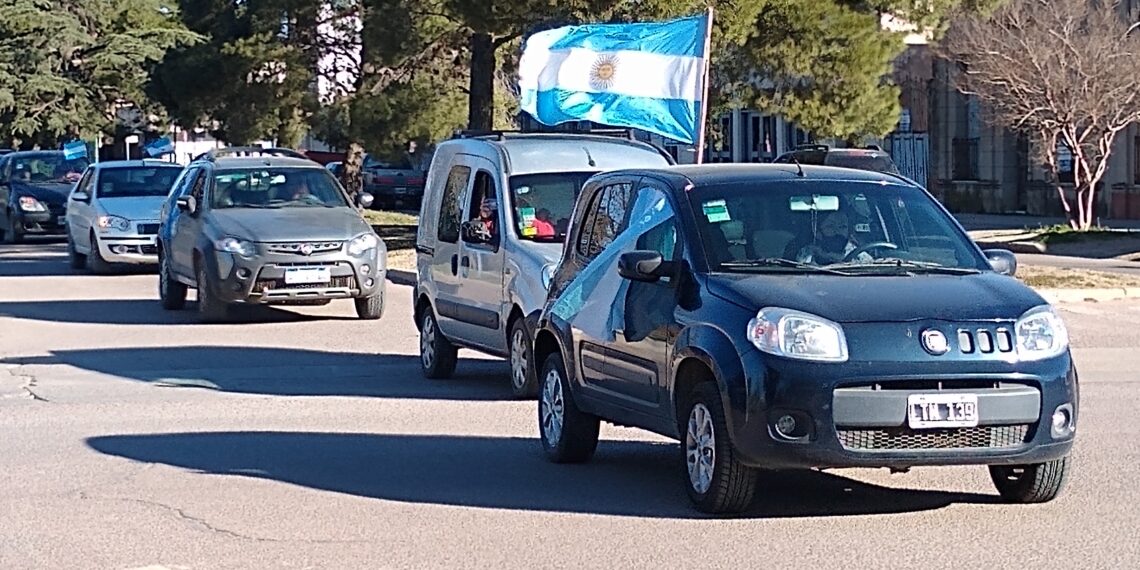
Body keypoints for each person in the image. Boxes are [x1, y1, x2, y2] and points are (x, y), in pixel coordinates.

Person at [796, 210, 872, 265]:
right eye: (830, 226)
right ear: (817, 233)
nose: (837, 231)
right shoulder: (808, 253)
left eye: (842, 227)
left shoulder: (857, 254)